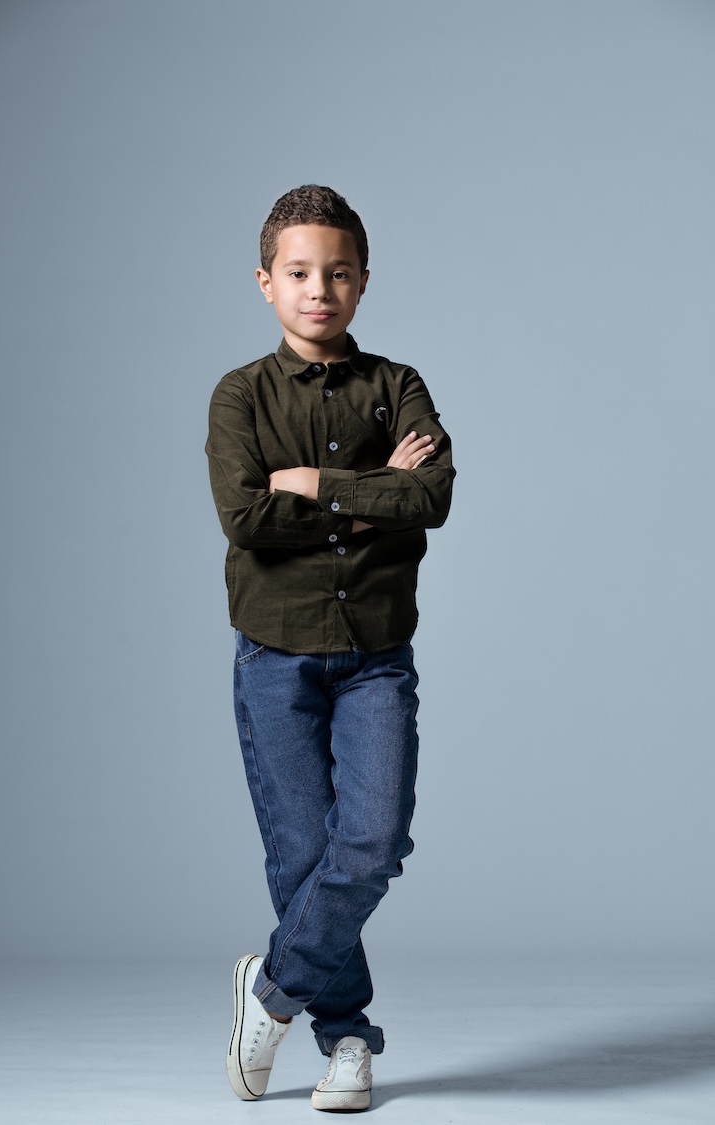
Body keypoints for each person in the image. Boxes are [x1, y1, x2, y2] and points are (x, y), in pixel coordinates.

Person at [206, 185, 454, 1112]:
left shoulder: (399, 385)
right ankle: (347, 1036)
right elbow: (246, 519)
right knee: (303, 854)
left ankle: (270, 990)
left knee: (374, 840)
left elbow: (431, 496)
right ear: (266, 281)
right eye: (301, 272)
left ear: (363, 281)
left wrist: (313, 481)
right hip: (274, 655)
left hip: (377, 655)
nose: (320, 289)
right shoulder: (241, 394)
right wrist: (369, 492)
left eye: (339, 272)